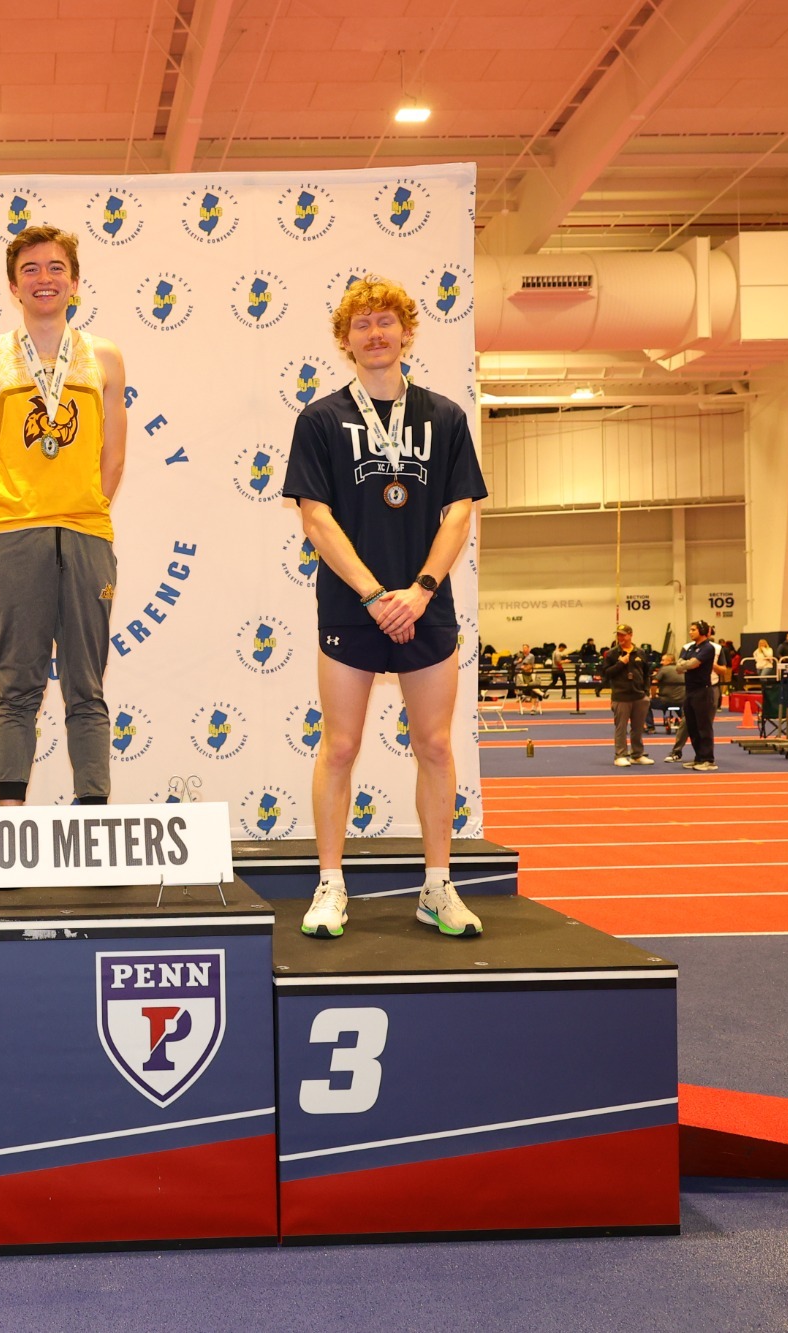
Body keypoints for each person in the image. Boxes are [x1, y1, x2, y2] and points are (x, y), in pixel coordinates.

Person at [285, 276, 489, 940]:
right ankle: (330, 885)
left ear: (406, 331)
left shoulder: (446, 418)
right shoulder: (320, 420)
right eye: (362, 323)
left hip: (425, 604)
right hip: (353, 606)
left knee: (434, 743)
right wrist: (374, 594)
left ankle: (437, 885)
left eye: (386, 321)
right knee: (340, 746)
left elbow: (459, 513)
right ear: (346, 340)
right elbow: (316, 519)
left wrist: (421, 589)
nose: (375, 333)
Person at [0, 223, 127, 809]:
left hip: (86, 532)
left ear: (75, 282)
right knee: (18, 686)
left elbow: (114, 454)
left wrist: (83, 506)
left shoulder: (103, 355)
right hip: (13, 532)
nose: (44, 279)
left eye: (56, 267)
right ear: (13, 286)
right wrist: (12, 513)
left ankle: (93, 814)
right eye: (30, 269)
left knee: (87, 686)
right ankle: (11, 815)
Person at [601, 626, 652, 766]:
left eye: (623, 635)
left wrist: (646, 691)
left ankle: (637, 754)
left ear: (630, 635)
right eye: (618, 635)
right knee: (621, 728)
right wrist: (620, 663)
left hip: (639, 696)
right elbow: (606, 674)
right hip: (621, 696)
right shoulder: (611, 654)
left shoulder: (640, 652)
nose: (620, 638)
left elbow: (647, 673)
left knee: (638, 728)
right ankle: (620, 755)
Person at [677, 620, 719, 770]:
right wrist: (685, 664)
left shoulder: (708, 648)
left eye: (693, 629)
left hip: (703, 690)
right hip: (690, 690)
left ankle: (708, 759)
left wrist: (685, 664)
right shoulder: (690, 648)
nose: (690, 632)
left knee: (703, 726)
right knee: (692, 726)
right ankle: (699, 758)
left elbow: (692, 664)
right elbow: (679, 667)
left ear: (702, 631)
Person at [654, 652, 687, 736]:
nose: (661, 662)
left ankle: (650, 727)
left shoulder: (664, 669)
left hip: (666, 701)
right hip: (681, 700)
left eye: (663, 660)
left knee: (645, 703)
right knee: (678, 704)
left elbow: (654, 682)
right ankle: (686, 723)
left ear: (670, 660)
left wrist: (653, 695)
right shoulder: (682, 669)